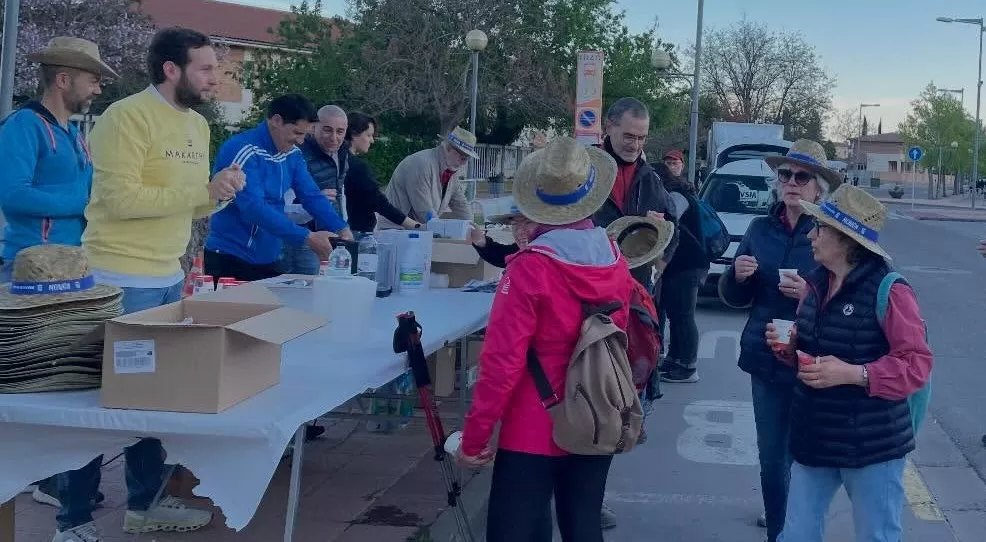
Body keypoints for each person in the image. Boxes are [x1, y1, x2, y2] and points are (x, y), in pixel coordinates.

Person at [70, 27, 240, 541]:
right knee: (98, 404)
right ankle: (71, 520)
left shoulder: (195, 127)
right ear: (172, 69)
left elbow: (191, 203)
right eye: (206, 68)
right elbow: (117, 202)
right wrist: (200, 190)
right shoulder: (126, 118)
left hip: (167, 277)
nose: (216, 79)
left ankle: (144, 505)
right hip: (118, 277)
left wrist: (219, 195)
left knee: (154, 400)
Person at [456, 137, 634, 542]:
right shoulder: (614, 259)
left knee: (514, 531)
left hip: (534, 421)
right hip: (596, 409)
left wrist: (475, 437)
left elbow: (501, 363)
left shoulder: (530, 269)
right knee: (584, 524)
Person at [766, 184, 933, 542]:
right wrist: (790, 348)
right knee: (795, 535)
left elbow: (917, 365)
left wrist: (855, 374)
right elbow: (817, 356)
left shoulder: (891, 290)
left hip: (873, 446)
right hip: (815, 436)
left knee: (877, 536)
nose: (810, 234)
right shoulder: (815, 284)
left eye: (820, 228)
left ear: (846, 239)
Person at [0, 35, 115, 511]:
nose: (98, 89)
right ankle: (34, 474)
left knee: (61, 378)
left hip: (70, 268)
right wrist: (85, 204)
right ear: (63, 78)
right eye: (92, 79)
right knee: (37, 380)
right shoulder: (23, 126)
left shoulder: (73, 131)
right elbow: (12, 193)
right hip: (29, 269)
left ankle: (49, 477)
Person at [718, 139, 841, 542]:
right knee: (772, 460)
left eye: (801, 176)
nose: (790, 182)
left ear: (818, 187)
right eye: (784, 174)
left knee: (807, 458)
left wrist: (810, 295)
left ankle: (800, 525)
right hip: (765, 357)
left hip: (816, 361)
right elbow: (736, 297)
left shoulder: (832, 234)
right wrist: (737, 276)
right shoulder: (760, 228)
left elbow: (850, 298)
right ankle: (779, 532)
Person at [204, 94, 352, 282]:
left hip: (269, 257)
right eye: (297, 133)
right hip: (231, 257)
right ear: (276, 121)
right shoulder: (242, 149)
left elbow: (311, 195)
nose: (300, 141)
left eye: (305, 135)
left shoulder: (293, 154)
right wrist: (307, 237)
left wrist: (341, 228)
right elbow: (253, 209)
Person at [652, 160, 709, 384]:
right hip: (681, 264)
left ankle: (688, 365)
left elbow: (670, 223)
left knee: (684, 316)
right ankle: (675, 359)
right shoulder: (674, 192)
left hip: (689, 263)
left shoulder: (676, 195)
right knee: (676, 314)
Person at [340, 111, 421, 232]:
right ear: (354, 134)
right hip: (356, 232)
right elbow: (379, 203)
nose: (372, 140)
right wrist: (416, 226)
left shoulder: (336, 161)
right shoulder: (357, 168)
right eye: (368, 135)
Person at [380, 127, 476, 226]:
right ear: (448, 149)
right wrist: (441, 230)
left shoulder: (449, 170)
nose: (464, 163)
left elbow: (460, 203)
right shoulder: (421, 164)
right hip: (395, 230)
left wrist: (472, 227)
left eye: (467, 159)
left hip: (415, 230)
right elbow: (424, 211)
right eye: (463, 158)